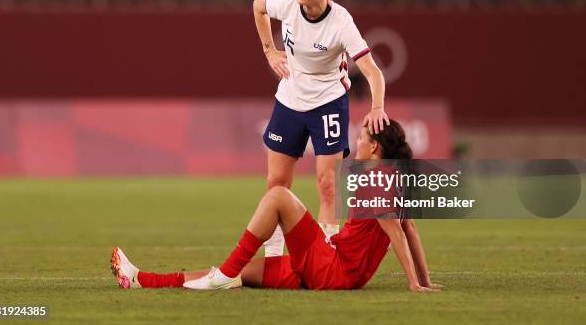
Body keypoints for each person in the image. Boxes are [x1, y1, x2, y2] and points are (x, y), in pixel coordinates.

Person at [110, 120, 443, 292]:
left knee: (278, 196)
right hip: (328, 266)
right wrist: (424, 281)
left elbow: (398, 235)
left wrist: (414, 284)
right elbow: (410, 230)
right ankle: (142, 279)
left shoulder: (375, 182)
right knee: (239, 273)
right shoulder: (394, 181)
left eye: (360, 139)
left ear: (374, 148)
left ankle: (224, 275)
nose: (355, 142)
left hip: (331, 269)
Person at [253, 0, 389, 256]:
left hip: (328, 102)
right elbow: (258, 6)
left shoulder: (341, 23)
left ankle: (328, 255)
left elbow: (373, 72)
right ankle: (274, 256)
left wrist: (377, 107)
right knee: (276, 182)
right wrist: (269, 51)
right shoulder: (288, 3)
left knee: (327, 184)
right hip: (289, 99)